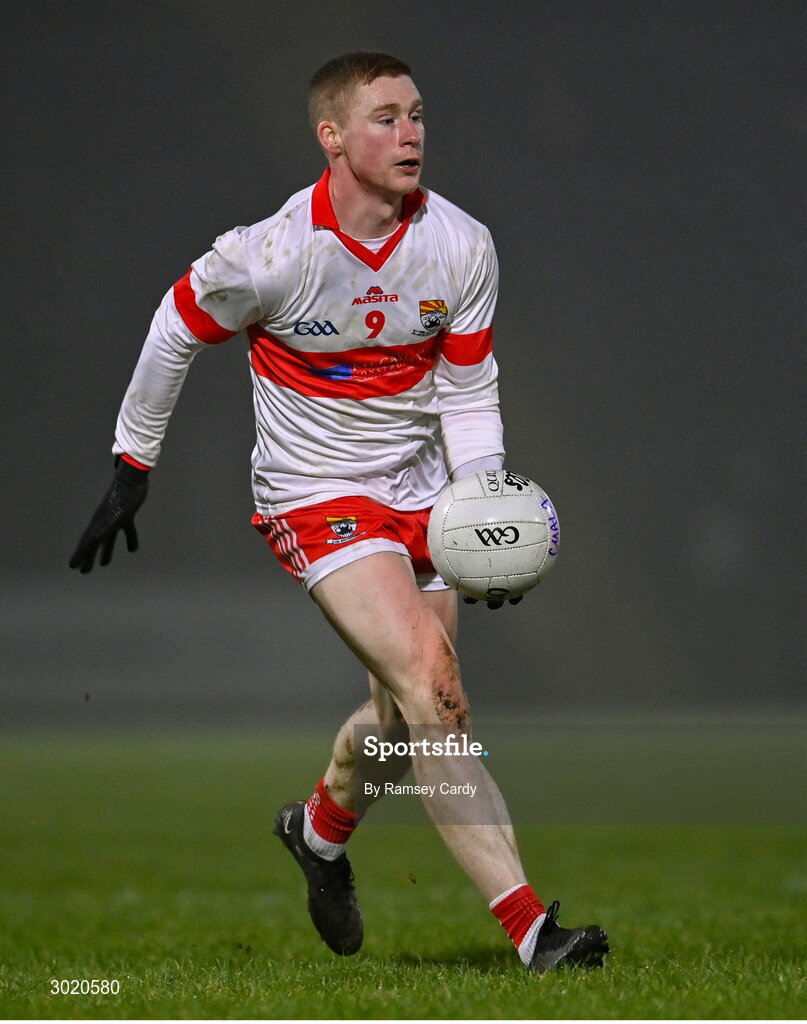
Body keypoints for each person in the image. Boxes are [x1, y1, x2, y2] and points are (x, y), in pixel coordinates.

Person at [69, 51, 609, 973]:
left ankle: (317, 833)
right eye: (385, 118)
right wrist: (133, 462)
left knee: (400, 721)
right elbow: (172, 328)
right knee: (437, 688)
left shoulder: (460, 243)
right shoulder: (270, 255)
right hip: (317, 494)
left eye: (417, 114)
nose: (410, 134)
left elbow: (469, 388)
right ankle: (532, 932)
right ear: (331, 137)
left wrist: (480, 507)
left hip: (424, 488)